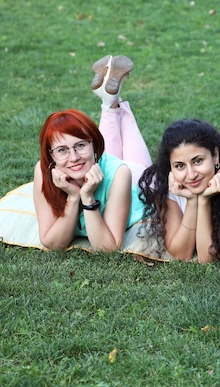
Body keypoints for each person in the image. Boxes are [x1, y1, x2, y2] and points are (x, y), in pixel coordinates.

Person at [138, 40, 220, 263]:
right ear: (169, 166)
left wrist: (204, 200)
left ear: (215, 156)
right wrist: (196, 202)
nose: (191, 174)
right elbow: (181, 253)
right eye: (179, 166)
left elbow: (208, 255)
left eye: (197, 161)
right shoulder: (164, 183)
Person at [33, 55, 152, 252]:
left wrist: (87, 198)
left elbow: (108, 247)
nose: (73, 157)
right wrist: (73, 198)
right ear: (50, 155)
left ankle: (112, 101)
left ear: (94, 147)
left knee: (136, 160)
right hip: (98, 162)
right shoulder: (43, 170)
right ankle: (110, 101)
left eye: (80, 146)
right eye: (62, 150)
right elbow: (53, 243)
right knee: (86, 155)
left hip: (136, 178)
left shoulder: (121, 173)